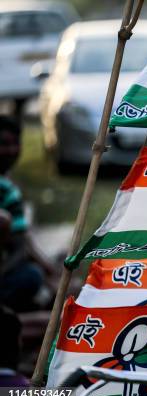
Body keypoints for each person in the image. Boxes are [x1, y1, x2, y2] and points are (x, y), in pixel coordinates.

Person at [0, 116, 54, 312]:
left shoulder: (8, 184)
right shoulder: (6, 188)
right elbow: (20, 243)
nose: (12, 150)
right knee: (32, 276)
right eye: (4, 144)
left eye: (15, 143)